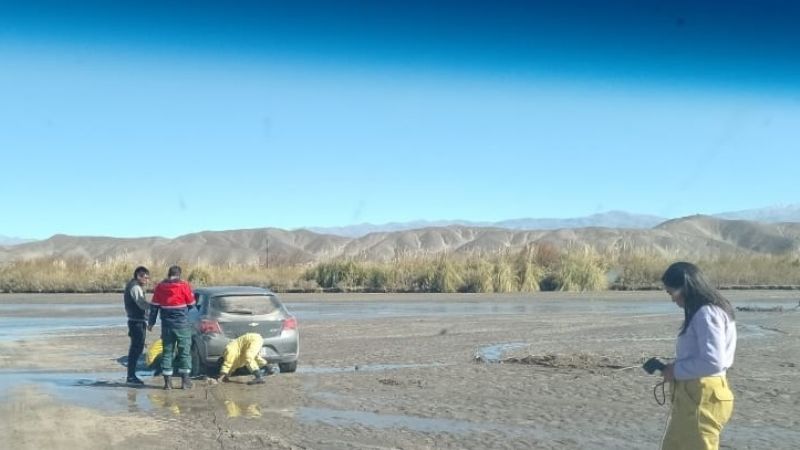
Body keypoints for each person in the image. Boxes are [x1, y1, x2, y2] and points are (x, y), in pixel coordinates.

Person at [660, 262, 737, 450]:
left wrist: (675, 370)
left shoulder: (707, 312)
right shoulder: (707, 311)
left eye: (672, 293)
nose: (672, 300)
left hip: (703, 395)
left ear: (686, 287)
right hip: (695, 394)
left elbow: (713, 361)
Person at [148, 265, 196, 390]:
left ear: (168, 274)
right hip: (182, 325)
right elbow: (191, 304)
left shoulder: (160, 287)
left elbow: (154, 307)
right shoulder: (184, 286)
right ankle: (185, 382)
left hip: (167, 326)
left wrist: (151, 323)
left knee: (167, 353)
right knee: (184, 353)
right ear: (179, 275)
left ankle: (167, 384)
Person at [123, 266, 150, 385]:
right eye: (145, 277)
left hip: (137, 321)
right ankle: (131, 376)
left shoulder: (135, 286)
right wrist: (154, 306)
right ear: (139, 276)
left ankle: (131, 375)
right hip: (136, 322)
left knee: (137, 349)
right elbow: (141, 303)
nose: (147, 280)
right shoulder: (134, 287)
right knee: (135, 350)